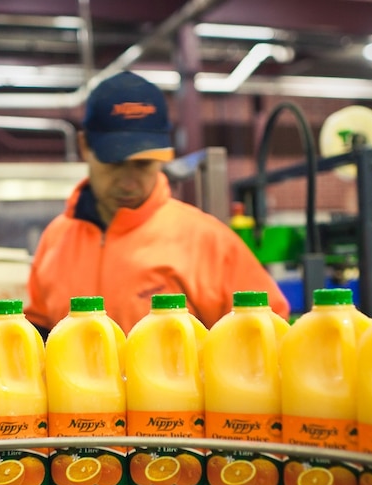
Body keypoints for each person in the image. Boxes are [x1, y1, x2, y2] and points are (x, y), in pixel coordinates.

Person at [25, 70, 290, 337]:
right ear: (84, 146)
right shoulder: (56, 240)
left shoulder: (207, 240)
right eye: (115, 163)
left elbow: (267, 329)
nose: (129, 182)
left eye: (143, 164)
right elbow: (40, 326)